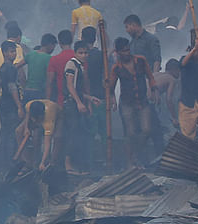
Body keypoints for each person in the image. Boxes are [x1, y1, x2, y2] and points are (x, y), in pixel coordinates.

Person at [107, 37, 156, 168]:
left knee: (146, 130)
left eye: (128, 49)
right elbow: (111, 88)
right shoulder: (116, 68)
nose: (127, 53)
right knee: (130, 133)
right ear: (117, 52)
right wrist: (113, 101)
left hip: (143, 101)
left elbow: (150, 76)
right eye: (124, 51)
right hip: (127, 103)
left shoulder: (141, 60)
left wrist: (154, 90)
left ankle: (137, 154)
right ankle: (130, 161)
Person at [62, 40, 99, 174]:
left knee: (79, 134)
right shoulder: (71, 64)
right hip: (71, 104)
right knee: (72, 133)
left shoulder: (81, 66)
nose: (84, 55)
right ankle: (67, 164)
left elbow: (78, 89)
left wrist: (89, 99)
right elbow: (70, 85)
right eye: (80, 53)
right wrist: (78, 102)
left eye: (85, 53)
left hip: (76, 102)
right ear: (75, 53)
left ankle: (77, 165)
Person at [16, 98, 59, 172]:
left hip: (58, 116)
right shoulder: (28, 105)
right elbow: (28, 115)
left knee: (58, 136)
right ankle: (27, 162)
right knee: (18, 131)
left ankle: (47, 163)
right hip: (37, 114)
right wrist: (26, 128)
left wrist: (42, 162)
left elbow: (47, 143)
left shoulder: (49, 118)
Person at [23, 33, 56, 103]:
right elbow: (49, 81)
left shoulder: (31, 54)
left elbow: (16, 66)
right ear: (50, 45)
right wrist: (48, 100)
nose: (53, 49)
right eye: (54, 46)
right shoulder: (50, 59)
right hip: (39, 92)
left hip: (27, 91)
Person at [45, 29, 75, 102]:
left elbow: (50, 82)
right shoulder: (78, 57)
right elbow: (86, 79)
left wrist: (47, 101)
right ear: (71, 41)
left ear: (59, 42)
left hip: (62, 100)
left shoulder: (54, 59)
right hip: (80, 99)